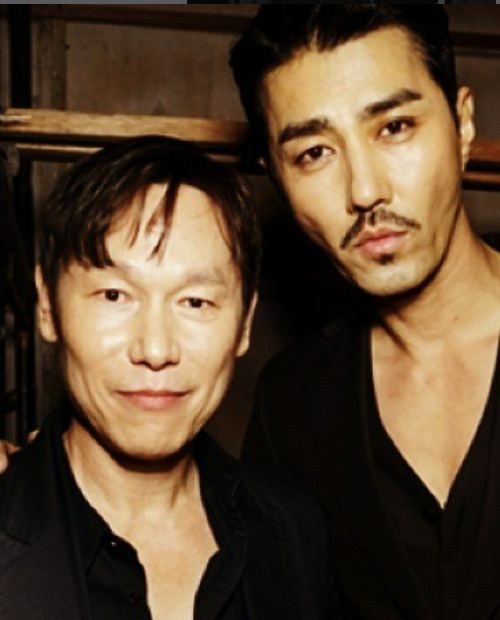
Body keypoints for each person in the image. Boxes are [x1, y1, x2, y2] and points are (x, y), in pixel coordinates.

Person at [231, 5, 500, 620]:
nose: (364, 190)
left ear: (462, 125)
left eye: (394, 127)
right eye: (314, 153)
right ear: (276, 176)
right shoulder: (291, 404)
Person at [0, 136, 334, 620]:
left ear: (244, 324)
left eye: (195, 302)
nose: (155, 350)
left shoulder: (296, 535)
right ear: (48, 305)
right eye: (114, 295)